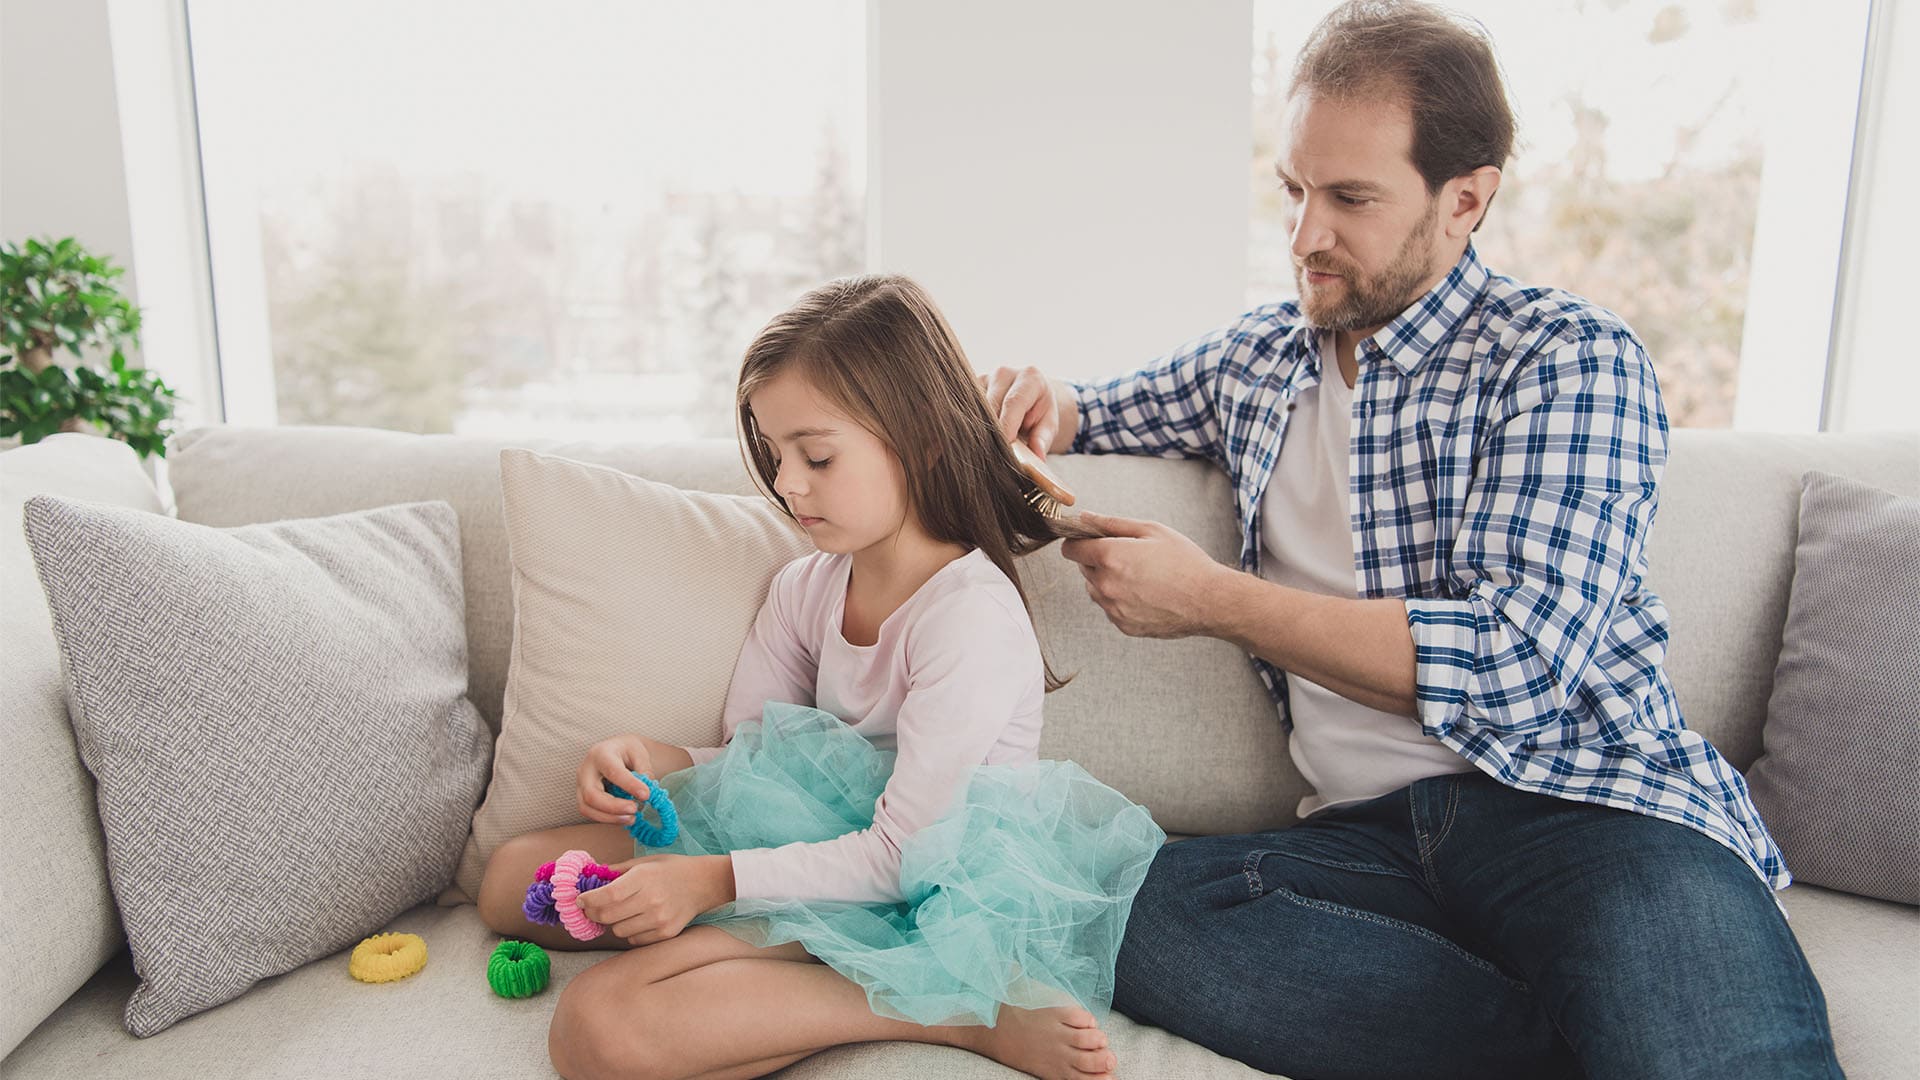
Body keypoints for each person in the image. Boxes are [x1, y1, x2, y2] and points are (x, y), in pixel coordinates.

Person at [978, 3, 1841, 1077]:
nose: (1304, 236)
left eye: (1350, 199)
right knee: (1138, 914)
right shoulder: (1260, 360)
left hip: (1586, 814)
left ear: (1465, 198)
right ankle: (1571, 1038)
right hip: (1367, 840)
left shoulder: (1566, 360)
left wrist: (1211, 601)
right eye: (1293, 190)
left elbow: (1517, 667)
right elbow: (1106, 406)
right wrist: (1047, 402)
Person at [478, 273, 1162, 1080]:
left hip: (917, 882)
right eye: (775, 454)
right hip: (807, 841)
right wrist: (652, 760)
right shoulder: (808, 586)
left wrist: (709, 883)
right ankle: (751, 962)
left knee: (597, 1031)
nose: (788, 484)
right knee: (508, 881)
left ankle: (949, 1010)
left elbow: (903, 854)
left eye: (818, 455)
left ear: (925, 440)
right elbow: (757, 760)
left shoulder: (967, 616)